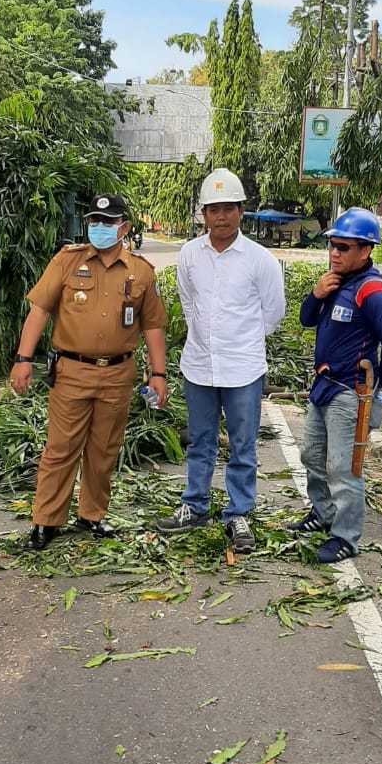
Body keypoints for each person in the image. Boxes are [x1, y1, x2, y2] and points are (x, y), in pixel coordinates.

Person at [10, 194, 168, 550]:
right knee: (60, 448)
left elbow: (153, 326)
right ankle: (46, 521)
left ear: (124, 228)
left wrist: (159, 374)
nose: (99, 228)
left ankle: (91, 515)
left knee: (104, 449)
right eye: (94, 221)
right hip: (72, 370)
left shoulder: (140, 271)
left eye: (107, 222)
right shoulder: (67, 262)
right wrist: (23, 359)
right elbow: (39, 310)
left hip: (117, 374)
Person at [156, 168, 286, 554]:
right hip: (198, 365)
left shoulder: (259, 259)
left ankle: (239, 514)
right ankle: (194, 504)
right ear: (203, 214)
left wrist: (239, 341)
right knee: (200, 441)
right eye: (213, 209)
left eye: (228, 208)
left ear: (241, 210)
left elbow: (273, 312)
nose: (221, 216)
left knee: (243, 445)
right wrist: (208, 338)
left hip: (243, 368)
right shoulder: (189, 255)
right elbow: (188, 302)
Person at [288, 207, 382, 564]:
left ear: (366, 251)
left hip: (348, 392)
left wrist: (378, 386)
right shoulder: (336, 282)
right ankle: (322, 513)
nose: (335, 253)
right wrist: (316, 293)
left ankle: (345, 535)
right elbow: (306, 320)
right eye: (332, 246)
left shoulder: (371, 290)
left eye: (343, 247)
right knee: (311, 456)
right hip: (322, 386)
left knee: (344, 467)